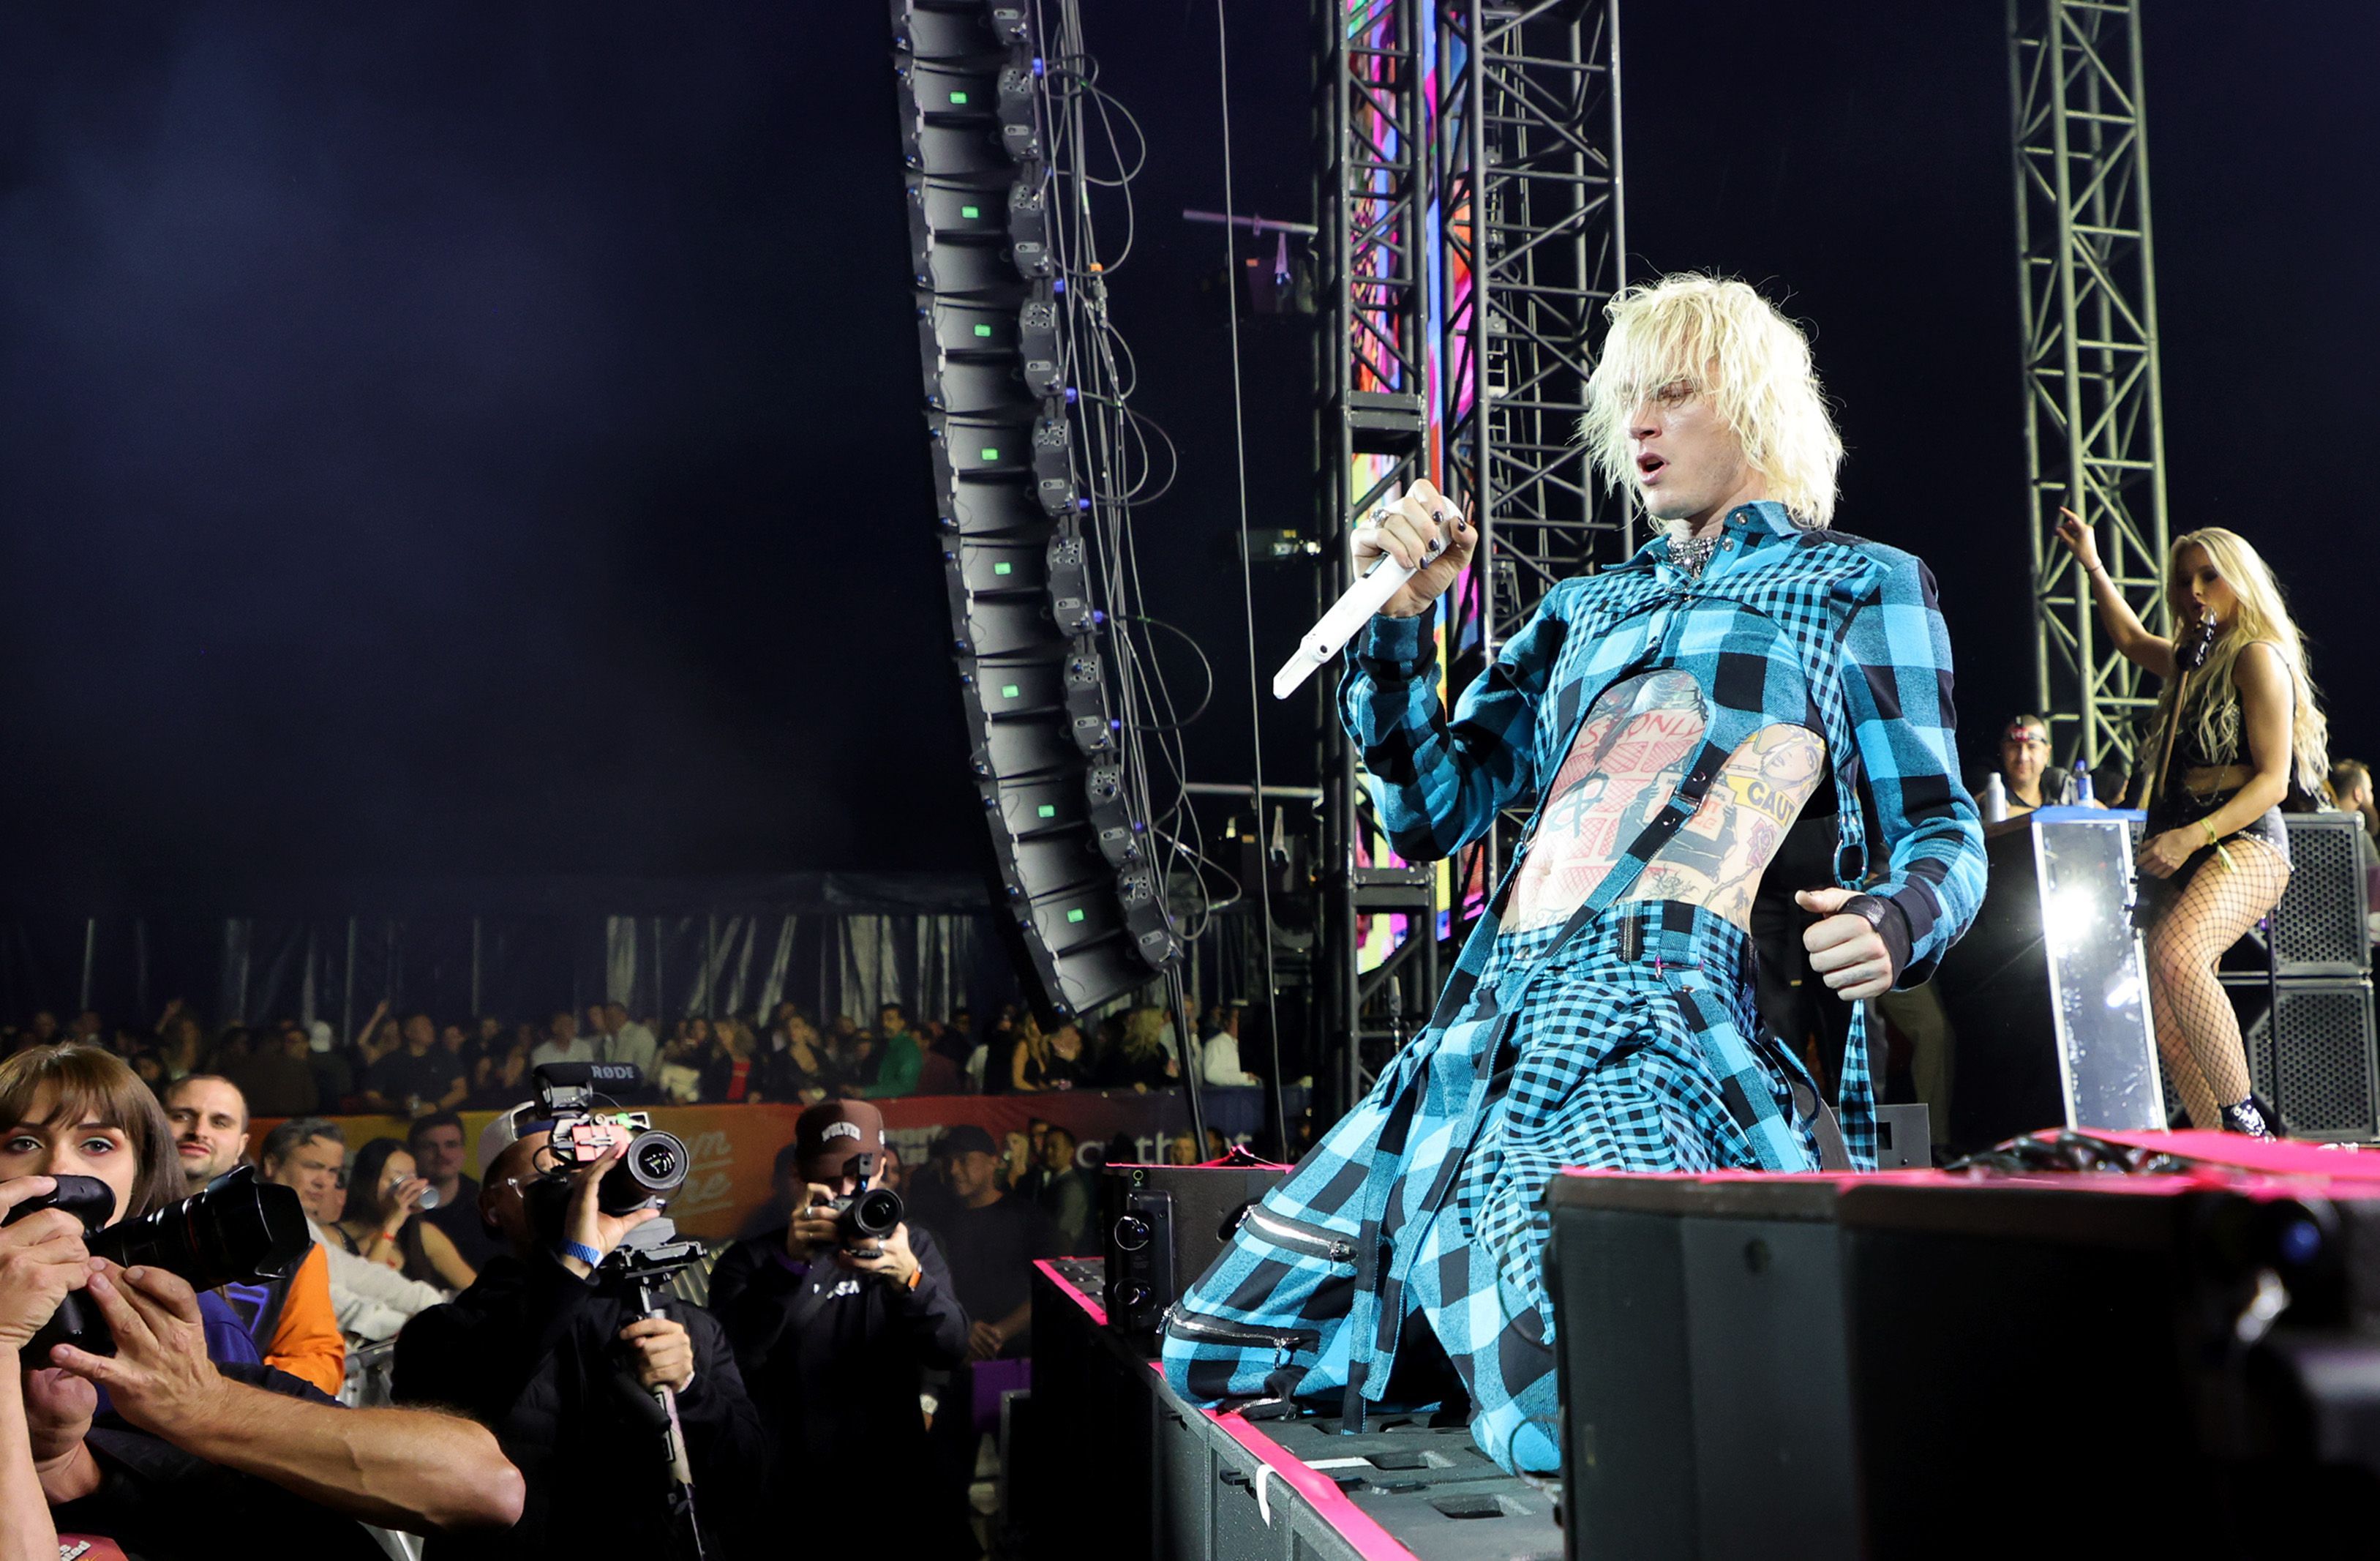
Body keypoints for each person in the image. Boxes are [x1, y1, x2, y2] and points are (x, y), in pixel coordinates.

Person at [1163, 275, 1987, 1474]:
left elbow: (1939, 830)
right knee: (1212, 1344)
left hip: (1642, 1021)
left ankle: (1525, 1330)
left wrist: (1893, 915)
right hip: (1475, 1040)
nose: (1639, 425)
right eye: (1624, 401)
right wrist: (1396, 623)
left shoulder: (1853, 584)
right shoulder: (1578, 613)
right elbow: (1427, 812)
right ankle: (1479, 1309)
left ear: (1754, 404)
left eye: (1672, 392)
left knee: (1581, 1389)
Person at [0, 1049, 521, 1551]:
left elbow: (487, 1488)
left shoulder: (189, 1340)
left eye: (97, 1145)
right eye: (23, 1142)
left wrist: (204, 1405)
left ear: (139, 1176)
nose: (57, 1171)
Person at [2055, 514, 2331, 1136]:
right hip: (2188, 848)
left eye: (2209, 576)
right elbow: (2128, 640)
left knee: (2181, 956)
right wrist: (2093, 564)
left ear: (2240, 579)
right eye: (2183, 581)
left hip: (2247, 844)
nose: (2194, 591)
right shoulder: (2190, 661)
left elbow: (2272, 781)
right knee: (2167, 1017)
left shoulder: (2257, 657)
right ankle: (2220, 1152)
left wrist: (2190, 837)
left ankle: (2246, 1122)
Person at [392, 1104, 767, 1557]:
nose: (583, 1194)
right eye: (553, 1178)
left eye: (598, 1173)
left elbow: (745, 1480)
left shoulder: (683, 1325)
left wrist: (690, 1391)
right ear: (492, 1207)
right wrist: (572, 1264)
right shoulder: (445, 1329)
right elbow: (455, 1426)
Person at [706, 1101, 973, 1557]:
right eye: (832, 1180)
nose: (849, 1192)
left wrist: (910, 1280)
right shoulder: (747, 1262)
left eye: (860, 1177)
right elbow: (738, 1359)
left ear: (883, 1171)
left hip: (893, 1488)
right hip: (793, 1497)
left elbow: (950, 1347)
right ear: (797, 1176)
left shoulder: (913, 1247)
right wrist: (792, 1266)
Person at [162, 1076, 345, 1396]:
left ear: (240, 1147)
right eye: (181, 1116)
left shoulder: (293, 1254)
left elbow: (316, 1360)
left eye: (220, 1122)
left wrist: (230, 1394)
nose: (199, 1130)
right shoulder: (112, 1219)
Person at [259, 1119, 448, 1346]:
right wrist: (405, 1324)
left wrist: (432, 1305)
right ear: (271, 1165)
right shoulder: (258, 1222)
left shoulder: (300, 1224)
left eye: (332, 1172)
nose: (323, 1182)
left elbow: (360, 1275)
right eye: (313, 1166)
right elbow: (327, 1298)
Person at [331, 1139, 477, 1292]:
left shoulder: (424, 1234)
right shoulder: (336, 1237)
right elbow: (370, 1287)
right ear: (368, 1181)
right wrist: (393, 1222)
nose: (407, 1187)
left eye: (411, 1177)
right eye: (396, 1179)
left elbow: (476, 1289)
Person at [410, 1111, 502, 1271]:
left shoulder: (486, 1202)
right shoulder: (401, 1205)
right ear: (414, 1154)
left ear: (463, 1151)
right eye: (430, 1147)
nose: (441, 1154)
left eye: (451, 1145)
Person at [361, 1012, 468, 1116]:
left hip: (440, 1124)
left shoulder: (445, 1057)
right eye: (424, 1026)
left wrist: (435, 1107)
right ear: (408, 1032)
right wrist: (398, 1105)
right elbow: (371, 1097)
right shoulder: (389, 1061)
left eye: (430, 1025)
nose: (430, 1029)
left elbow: (460, 1090)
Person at [1985, 714, 2073, 817]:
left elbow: (2092, 810)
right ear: (2003, 751)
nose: (2023, 757)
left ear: (2047, 753)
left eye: (2032, 747)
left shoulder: (2058, 781)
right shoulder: (1991, 783)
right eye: (2015, 747)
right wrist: (2061, 815)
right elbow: (1995, 811)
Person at [225, 1022, 319, 1118]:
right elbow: (311, 1103)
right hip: (290, 1124)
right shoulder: (297, 1067)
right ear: (278, 1042)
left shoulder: (238, 1068)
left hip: (251, 1123)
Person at [1094, 1008, 1176, 1093]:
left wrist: (1172, 1076)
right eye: (1159, 1026)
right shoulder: (1123, 1052)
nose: (1162, 1030)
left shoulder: (1158, 1050)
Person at [1199, 1003, 1262, 1087]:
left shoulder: (1250, 1043)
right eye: (1238, 1019)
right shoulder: (1216, 1044)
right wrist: (1245, 1077)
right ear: (1227, 1022)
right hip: (1230, 1095)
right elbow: (1211, 1074)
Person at [528, 1010, 595, 1071]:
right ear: (554, 1028)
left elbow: (589, 1074)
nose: (571, 1028)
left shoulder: (584, 1047)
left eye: (572, 1024)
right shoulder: (540, 1053)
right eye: (566, 1025)